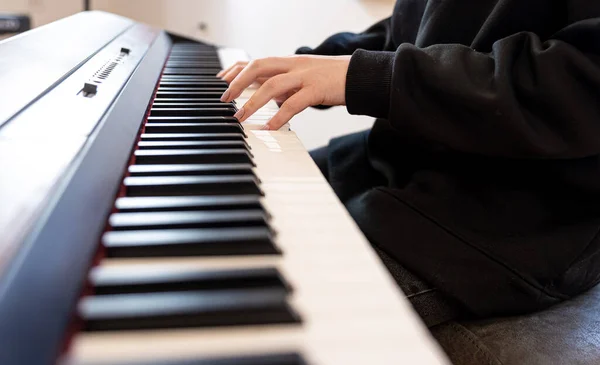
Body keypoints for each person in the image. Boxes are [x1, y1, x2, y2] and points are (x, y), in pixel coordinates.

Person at [217, 0, 600, 327]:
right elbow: (423, 25)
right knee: (226, 207)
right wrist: (317, 63)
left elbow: (581, 84)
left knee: (243, 303)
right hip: (394, 161)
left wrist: (368, 76)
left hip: (509, 221)